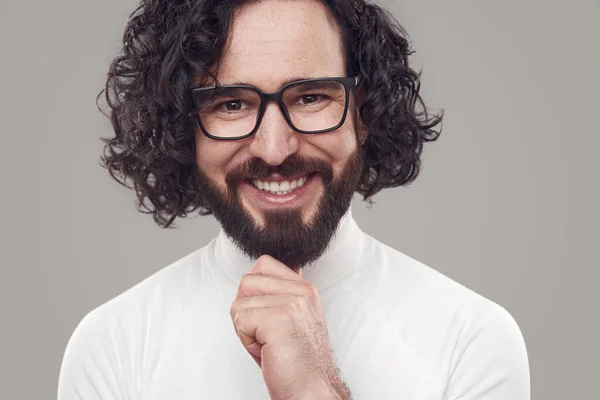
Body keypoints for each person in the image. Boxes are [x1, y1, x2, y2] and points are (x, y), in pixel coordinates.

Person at [58, 0, 530, 398]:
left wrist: (315, 389)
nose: (275, 149)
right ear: (185, 126)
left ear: (361, 111)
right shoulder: (111, 346)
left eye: (310, 98)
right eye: (232, 104)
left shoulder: (473, 340)